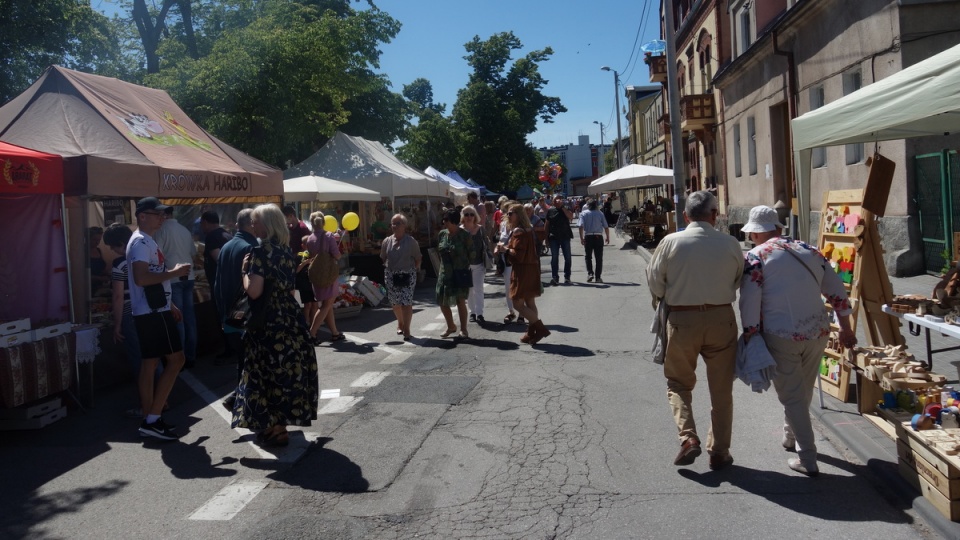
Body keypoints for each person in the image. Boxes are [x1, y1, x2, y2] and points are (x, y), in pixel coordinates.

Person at [738, 205, 857, 477]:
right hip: (817, 331)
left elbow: (749, 300)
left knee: (792, 395)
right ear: (778, 228)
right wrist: (846, 328)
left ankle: (808, 457)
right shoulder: (809, 250)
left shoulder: (756, 257)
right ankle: (790, 435)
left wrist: (750, 333)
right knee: (802, 390)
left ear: (758, 234)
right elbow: (837, 291)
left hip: (780, 335)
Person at [646, 190, 743, 470]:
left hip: (682, 319)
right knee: (722, 390)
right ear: (715, 215)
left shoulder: (670, 242)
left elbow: (656, 283)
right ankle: (720, 451)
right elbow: (738, 280)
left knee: (678, 383)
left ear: (685, 215)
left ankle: (689, 437)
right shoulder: (730, 243)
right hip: (721, 318)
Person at [232, 203, 319, 447]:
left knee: (264, 371)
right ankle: (279, 426)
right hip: (289, 317)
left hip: (268, 320)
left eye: (256, 221)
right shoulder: (285, 252)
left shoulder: (259, 253)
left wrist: (243, 272)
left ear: (267, 224)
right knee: (286, 371)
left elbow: (255, 291)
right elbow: (290, 289)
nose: (252, 225)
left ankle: (275, 427)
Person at [126, 197, 192, 440]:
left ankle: (150, 418)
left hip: (153, 310)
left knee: (151, 362)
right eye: (158, 214)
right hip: (152, 314)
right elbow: (141, 278)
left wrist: (170, 302)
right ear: (142, 215)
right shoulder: (141, 242)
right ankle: (152, 417)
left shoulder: (145, 240)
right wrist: (175, 272)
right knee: (176, 360)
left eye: (164, 214)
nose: (163, 217)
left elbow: (149, 279)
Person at [104, 223, 157, 417]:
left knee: (140, 361)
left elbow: (118, 297)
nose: (112, 250)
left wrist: (117, 324)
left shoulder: (120, 263)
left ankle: (147, 406)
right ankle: (160, 400)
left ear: (119, 243)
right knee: (152, 357)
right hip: (151, 310)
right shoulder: (146, 253)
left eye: (113, 246)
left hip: (131, 314)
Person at [214, 208, 258, 409]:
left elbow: (217, 285)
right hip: (246, 317)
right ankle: (240, 400)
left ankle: (238, 398)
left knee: (244, 361)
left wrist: (223, 316)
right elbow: (255, 289)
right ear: (250, 223)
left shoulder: (226, 246)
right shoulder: (252, 247)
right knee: (252, 362)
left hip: (230, 316)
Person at [152, 206, 198, 369]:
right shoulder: (184, 229)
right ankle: (190, 356)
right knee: (189, 317)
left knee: (178, 318)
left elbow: (156, 255)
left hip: (173, 278)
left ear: (164, 215)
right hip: (189, 276)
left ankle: (180, 359)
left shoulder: (161, 230)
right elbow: (193, 252)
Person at [501, 203, 549, 344]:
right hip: (531, 267)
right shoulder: (528, 229)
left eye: (511, 213)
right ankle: (531, 332)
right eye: (508, 213)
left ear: (518, 215)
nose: (508, 216)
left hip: (522, 269)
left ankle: (540, 329)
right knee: (529, 301)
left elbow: (517, 255)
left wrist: (505, 249)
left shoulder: (518, 231)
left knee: (517, 304)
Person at [305, 211, 344, 344]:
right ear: (324, 222)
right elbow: (336, 255)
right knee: (326, 305)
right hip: (329, 274)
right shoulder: (328, 236)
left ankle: (335, 332)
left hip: (317, 274)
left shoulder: (309, 239)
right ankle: (312, 333)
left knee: (326, 305)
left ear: (312, 223)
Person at [381, 214, 422, 340]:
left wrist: (412, 270)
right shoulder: (387, 241)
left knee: (406, 302)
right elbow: (383, 258)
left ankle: (407, 329)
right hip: (391, 275)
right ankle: (400, 322)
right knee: (395, 303)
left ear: (404, 225)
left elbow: (418, 258)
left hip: (407, 274)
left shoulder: (411, 241)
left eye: (398, 223)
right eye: (393, 223)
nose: (395, 226)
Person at [436, 208, 473, 339]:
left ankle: (464, 329)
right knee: (442, 300)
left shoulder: (464, 235)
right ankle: (451, 326)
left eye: (445, 220)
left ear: (453, 221)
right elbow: (439, 251)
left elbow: (471, 254)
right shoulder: (442, 234)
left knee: (460, 301)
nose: (443, 222)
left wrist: (463, 266)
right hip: (445, 273)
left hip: (459, 272)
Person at [282, 206, 317, 327]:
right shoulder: (291, 228)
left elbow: (309, 247)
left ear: (291, 216)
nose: (285, 221)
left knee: (309, 302)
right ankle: (305, 323)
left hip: (303, 271)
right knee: (307, 301)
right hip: (297, 266)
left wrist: (298, 255)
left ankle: (308, 324)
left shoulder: (303, 228)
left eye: (286, 218)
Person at [460, 205, 487, 324]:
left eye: (471, 214)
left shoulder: (480, 229)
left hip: (479, 263)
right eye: (466, 214)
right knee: (469, 290)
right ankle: (472, 312)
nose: (469, 217)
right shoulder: (460, 230)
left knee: (478, 288)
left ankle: (480, 313)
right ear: (462, 217)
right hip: (465, 265)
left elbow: (486, 244)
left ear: (475, 216)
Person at [497, 201, 520, 325]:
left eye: (511, 212)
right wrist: (499, 246)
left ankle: (522, 313)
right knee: (508, 286)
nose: (508, 214)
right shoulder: (504, 224)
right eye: (506, 211)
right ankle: (511, 311)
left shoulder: (522, 226)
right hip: (506, 258)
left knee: (520, 286)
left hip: (519, 259)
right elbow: (502, 238)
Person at [578, 198, 610, 283]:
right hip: (598, 237)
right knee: (599, 258)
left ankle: (590, 273)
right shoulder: (600, 213)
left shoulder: (583, 214)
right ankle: (598, 277)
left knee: (588, 257)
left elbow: (580, 226)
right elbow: (606, 226)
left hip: (588, 237)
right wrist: (607, 237)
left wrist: (581, 238)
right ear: (596, 205)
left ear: (587, 206)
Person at [545, 195, 574, 285]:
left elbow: (570, 217)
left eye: (560, 200)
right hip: (554, 237)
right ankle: (555, 277)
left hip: (565, 236)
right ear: (553, 201)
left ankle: (567, 277)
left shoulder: (565, 208)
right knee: (554, 257)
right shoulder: (550, 210)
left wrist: (562, 207)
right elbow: (546, 225)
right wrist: (546, 239)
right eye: (556, 200)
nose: (558, 201)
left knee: (567, 257)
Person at [89, 226, 110, 293]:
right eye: (94, 239)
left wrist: (108, 274)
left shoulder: (98, 250)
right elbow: (81, 274)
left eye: (99, 240)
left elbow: (102, 268)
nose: (97, 242)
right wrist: (99, 278)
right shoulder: (82, 253)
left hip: (100, 287)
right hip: (89, 288)